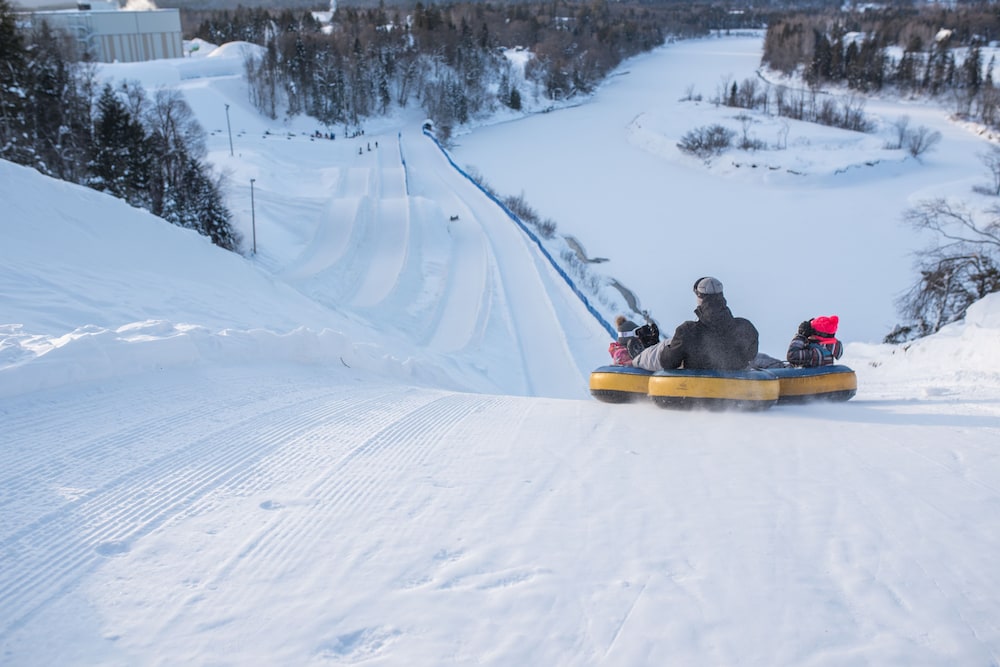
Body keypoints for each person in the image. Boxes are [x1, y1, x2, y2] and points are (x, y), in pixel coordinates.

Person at [638, 276, 759, 371]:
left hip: (695, 387)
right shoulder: (745, 327)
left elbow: (668, 362)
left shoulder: (688, 331)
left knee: (665, 346)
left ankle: (635, 359)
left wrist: (668, 351)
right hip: (735, 384)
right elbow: (751, 355)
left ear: (700, 298)